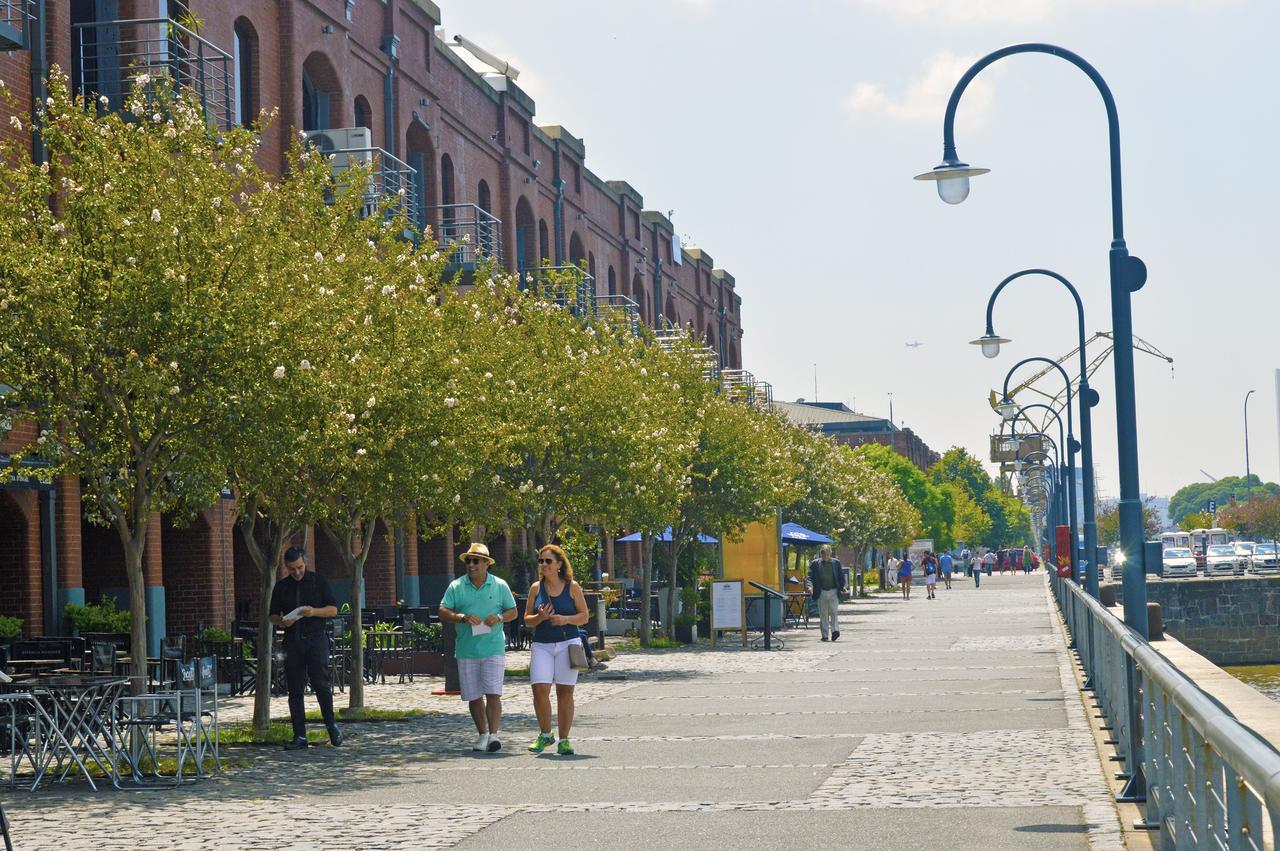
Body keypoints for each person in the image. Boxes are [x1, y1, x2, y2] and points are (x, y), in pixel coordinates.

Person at [439, 543, 518, 753]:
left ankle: (494, 735)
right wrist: (461, 617)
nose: (471, 565)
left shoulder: (500, 585)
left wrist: (500, 617)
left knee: (493, 692)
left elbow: (513, 611)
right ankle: (482, 734)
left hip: (493, 647)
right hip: (467, 649)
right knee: (473, 696)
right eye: (468, 561)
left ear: (486, 564)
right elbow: (442, 610)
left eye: (476, 561)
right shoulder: (456, 586)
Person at [269, 547, 341, 751]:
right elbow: (272, 615)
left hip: (316, 639)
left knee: (321, 684)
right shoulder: (282, 587)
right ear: (286, 567)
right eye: (292, 569)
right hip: (292, 641)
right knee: (295, 689)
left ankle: (331, 725)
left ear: (305, 563)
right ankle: (299, 735)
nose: (297, 572)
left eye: (299, 567)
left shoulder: (319, 581)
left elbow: (333, 609)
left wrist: (314, 612)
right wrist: (282, 621)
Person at [525, 544, 590, 756]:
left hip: (567, 644)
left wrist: (565, 619)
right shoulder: (536, 588)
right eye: (541, 561)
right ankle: (545, 734)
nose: (543, 565)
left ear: (559, 564)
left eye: (548, 561)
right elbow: (527, 620)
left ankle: (564, 740)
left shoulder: (573, 587)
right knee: (539, 690)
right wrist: (540, 617)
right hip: (542, 644)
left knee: (565, 692)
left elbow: (584, 616)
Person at [809, 544, 846, 642]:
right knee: (823, 614)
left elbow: (840, 576)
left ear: (830, 554)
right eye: (823, 554)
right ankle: (825, 635)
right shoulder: (815, 564)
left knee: (834, 612)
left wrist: (843, 587)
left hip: (833, 591)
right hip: (821, 591)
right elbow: (810, 577)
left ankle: (835, 631)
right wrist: (810, 587)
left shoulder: (836, 563)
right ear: (821, 554)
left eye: (827, 554)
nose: (825, 556)